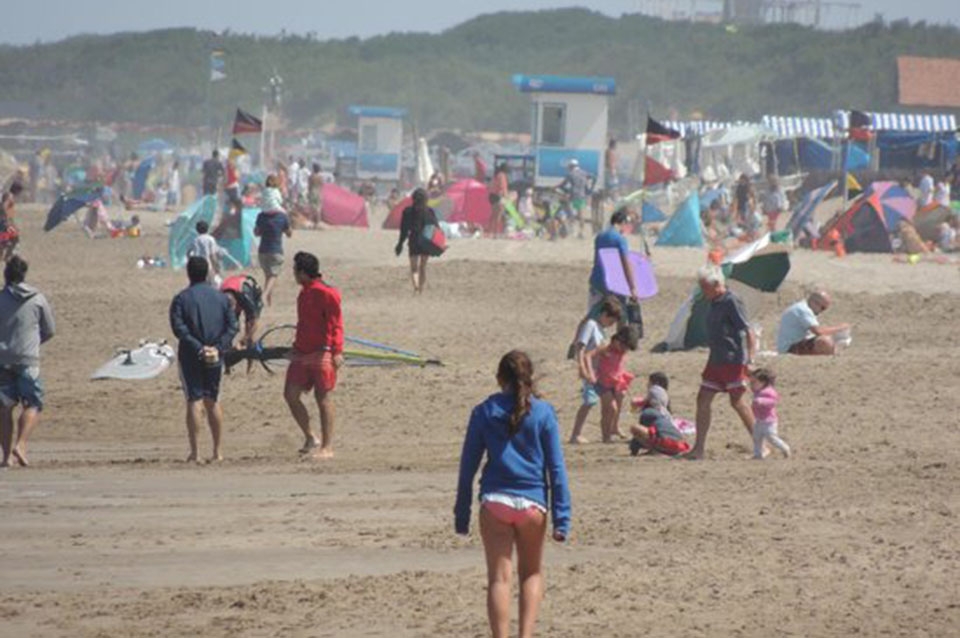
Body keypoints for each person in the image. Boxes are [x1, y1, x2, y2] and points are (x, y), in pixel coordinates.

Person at [454, 350, 571, 638]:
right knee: (531, 573)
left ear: (499, 379)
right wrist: (562, 518)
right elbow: (556, 468)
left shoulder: (484, 411)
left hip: (495, 502)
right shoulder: (543, 412)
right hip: (532, 504)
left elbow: (468, 467)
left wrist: (462, 514)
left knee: (499, 579)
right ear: (529, 377)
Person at [169, 257, 238, 463]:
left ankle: (195, 451)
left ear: (188, 273)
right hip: (215, 354)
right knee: (212, 400)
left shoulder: (181, 298)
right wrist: (218, 347)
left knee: (194, 399)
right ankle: (217, 451)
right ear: (207, 273)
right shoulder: (222, 298)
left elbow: (179, 329)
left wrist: (199, 348)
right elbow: (232, 327)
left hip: (191, 355)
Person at [686, 265, 756, 460]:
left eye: (704, 287)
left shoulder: (731, 300)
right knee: (703, 399)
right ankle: (698, 449)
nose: (702, 291)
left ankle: (762, 445)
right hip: (715, 359)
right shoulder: (714, 302)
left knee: (737, 402)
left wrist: (750, 359)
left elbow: (748, 330)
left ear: (717, 284)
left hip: (732, 360)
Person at [285, 252, 344, 459]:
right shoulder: (303, 293)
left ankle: (327, 447)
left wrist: (337, 351)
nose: (293, 274)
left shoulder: (327, 293)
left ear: (302, 272)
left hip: (323, 352)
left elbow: (336, 324)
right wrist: (295, 347)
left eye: (295, 270)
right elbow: (303, 324)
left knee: (323, 398)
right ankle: (311, 437)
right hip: (302, 353)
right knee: (290, 395)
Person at [0, 257, 55, 468]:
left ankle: (6, 456)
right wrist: (32, 343)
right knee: (32, 403)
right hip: (28, 360)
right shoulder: (37, 298)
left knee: (4, 408)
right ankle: (21, 444)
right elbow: (49, 330)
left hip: (3, 359)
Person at [568, 297, 621, 444]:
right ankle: (575, 434)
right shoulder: (591, 325)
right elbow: (581, 347)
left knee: (602, 402)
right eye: (610, 321)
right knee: (589, 401)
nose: (610, 325)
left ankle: (606, 433)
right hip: (589, 370)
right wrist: (582, 368)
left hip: (599, 372)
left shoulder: (602, 330)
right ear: (604, 314)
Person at [587, 210, 640, 328]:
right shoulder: (620, 239)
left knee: (592, 318)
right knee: (621, 317)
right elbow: (626, 264)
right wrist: (632, 287)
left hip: (597, 281)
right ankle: (620, 338)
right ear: (623, 223)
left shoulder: (600, 236)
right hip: (615, 285)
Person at [595, 325, 638, 443]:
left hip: (616, 381)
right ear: (616, 341)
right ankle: (606, 436)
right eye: (623, 347)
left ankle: (613, 428)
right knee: (609, 409)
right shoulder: (606, 349)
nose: (624, 350)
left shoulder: (621, 351)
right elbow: (592, 355)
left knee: (618, 403)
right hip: (603, 382)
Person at [776, 291, 850, 356]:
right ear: (814, 303)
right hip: (790, 349)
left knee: (828, 339)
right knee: (824, 341)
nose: (822, 311)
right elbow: (818, 331)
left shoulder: (802, 307)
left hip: (797, 344)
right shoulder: (804, 310)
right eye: (822, 308)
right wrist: (840, 328)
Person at [395, 188, 439, 294]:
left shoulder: (407, 211)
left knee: (414, 268)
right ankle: (421, 289)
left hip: (414, 240)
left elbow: (404, 230)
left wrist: (400, 244)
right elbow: (436, 228)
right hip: (426, 240)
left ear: (413, 198)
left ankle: (416, 287)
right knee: (422, 267)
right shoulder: (429, 211)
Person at [629, 386, 690, 457]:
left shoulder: (648, 412)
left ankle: (656, 450)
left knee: (634, 428)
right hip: (681, 445)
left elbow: (639, 437)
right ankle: (662, 450)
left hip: (666, 442)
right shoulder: (665, 415)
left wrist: (633, 450)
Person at [254, 198, 292, 307]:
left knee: (268, 276)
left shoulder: (261, 216)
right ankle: (264, 295)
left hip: (262, 251)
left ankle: (268, 302)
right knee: (273, 275)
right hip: (275, 250)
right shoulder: (282, 217)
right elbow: (289, 234)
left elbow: (256, 232)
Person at [749, 367, 790, 459]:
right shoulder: (757, 391)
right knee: (757, 437)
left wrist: (761, 401)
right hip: (759, 420)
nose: (751, 385)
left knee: (771, 438)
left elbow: (773, 401)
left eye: (754, 382)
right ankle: (758, 454)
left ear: (763, 382)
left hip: (769, 421)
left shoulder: (769, 392)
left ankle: (785, 448)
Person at [557, 159, 592, 238]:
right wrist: (589, 189)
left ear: (571, 166)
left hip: (573, 196)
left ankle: (570, 230)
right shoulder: (584, 173)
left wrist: (556, 187)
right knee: (581, 215)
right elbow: (593, 177)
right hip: (582, 196)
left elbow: (562, 184)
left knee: (569, 213)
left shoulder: (570, 174)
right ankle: (581, 233)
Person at [0, 182, 24, 262]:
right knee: (14, 239)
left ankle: (6, 257)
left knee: (5, 241)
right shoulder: (9, 196)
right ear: (17, 190)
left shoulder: (8, 195)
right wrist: (6, 220)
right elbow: (3, 207)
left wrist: (12, 223)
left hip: (5, 222)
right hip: (4, 222)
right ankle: (7, 257)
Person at [488, 163, 509, 235]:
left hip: (492, 196)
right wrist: (506, 197)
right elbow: (502, 187)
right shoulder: (502, 175)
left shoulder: (496, 175)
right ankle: (495, 232)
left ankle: (489, 231)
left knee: (493, 215)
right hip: (498, 196)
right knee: (498, 215)